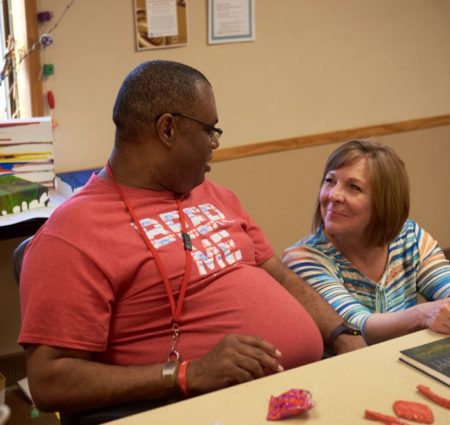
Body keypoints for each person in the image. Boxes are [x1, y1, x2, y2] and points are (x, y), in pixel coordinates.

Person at [18, 61, 365, 423]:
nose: (215, 143)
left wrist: (342, 334)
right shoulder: (72, 234)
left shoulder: (212, 193)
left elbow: (280, 276)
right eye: (209, 130)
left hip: (302, 389)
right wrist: (187, 373)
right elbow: (49, 381)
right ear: (167, 128)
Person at [282, 139, 450, 349]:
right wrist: (423, 313)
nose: (333, 195)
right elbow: (356, 328)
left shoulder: (410, 237)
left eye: (353, 187)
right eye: (330, 181)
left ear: (384, 201)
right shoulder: (302, 258)